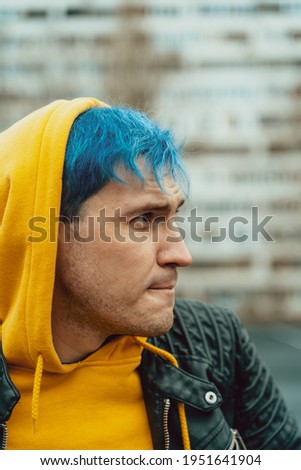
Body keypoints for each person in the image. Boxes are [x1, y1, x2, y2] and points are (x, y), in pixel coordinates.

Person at [0, 97, 300, 450]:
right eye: (144, 221)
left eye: (173, 219)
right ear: (44, 236)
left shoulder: (214, 345)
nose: (181, 255)